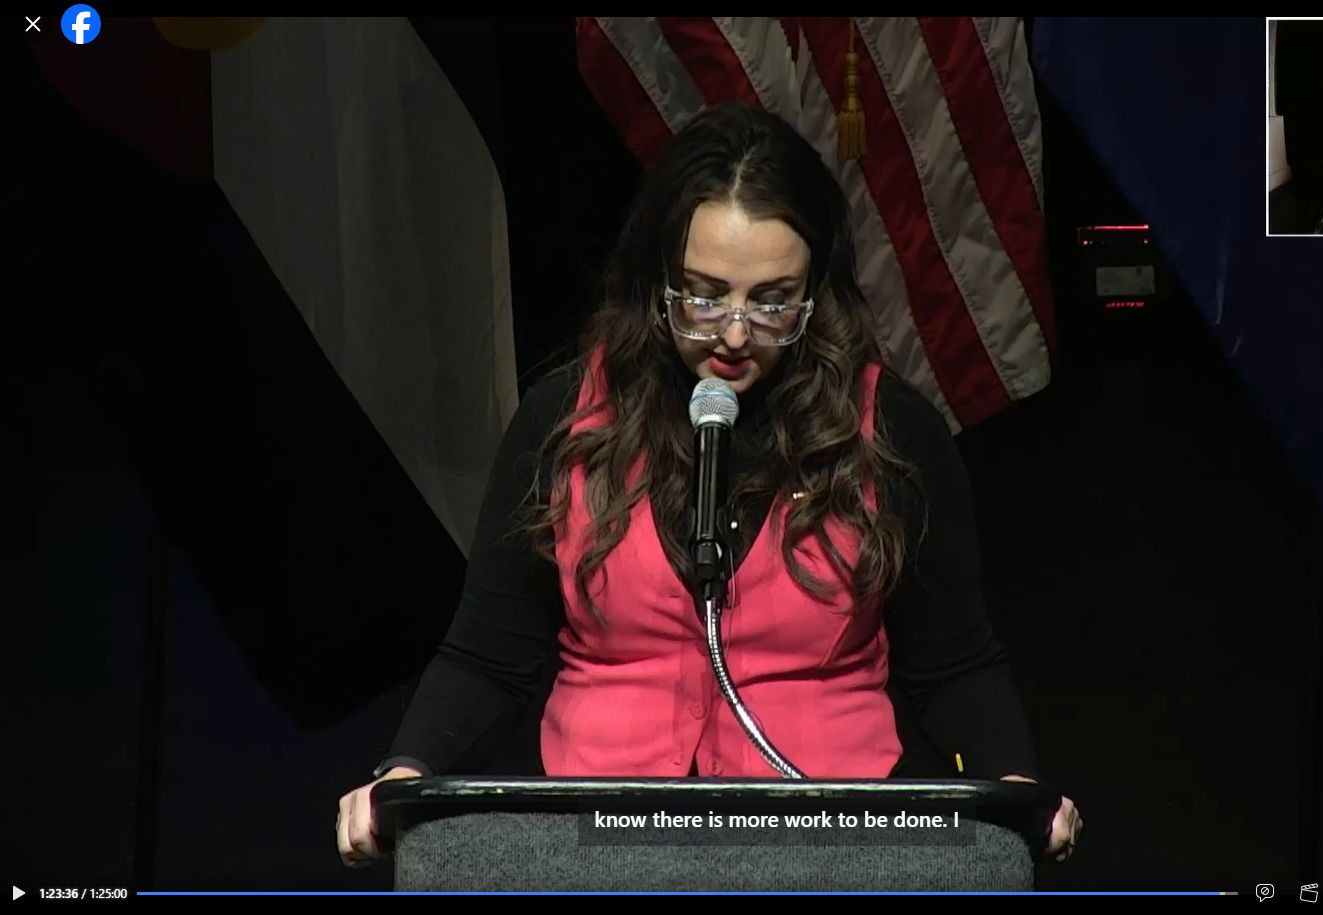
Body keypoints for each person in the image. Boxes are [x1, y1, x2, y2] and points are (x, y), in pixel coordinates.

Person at [336, 101, 1082, 871]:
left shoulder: (893, 431)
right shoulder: (562, 420)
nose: (732, 332)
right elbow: (487, 653)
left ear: (813, 293)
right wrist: (404, 771)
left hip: (829, 838)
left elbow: (952, 664)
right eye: (705, 293)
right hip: (599, 838)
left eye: (770, 300)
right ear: (658, 278)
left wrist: (1016, 789)